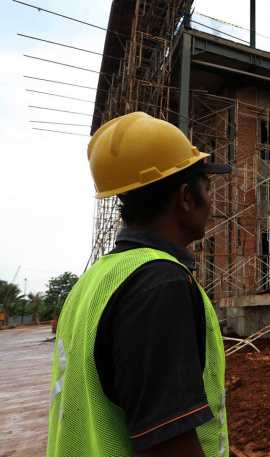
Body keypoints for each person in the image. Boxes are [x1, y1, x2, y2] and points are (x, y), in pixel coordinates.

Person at [47, 112, 231, 457]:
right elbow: (167, 442)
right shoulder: (159, 284)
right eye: (207, 187)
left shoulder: (97, 279)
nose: (213, 200)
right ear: (186, 197)